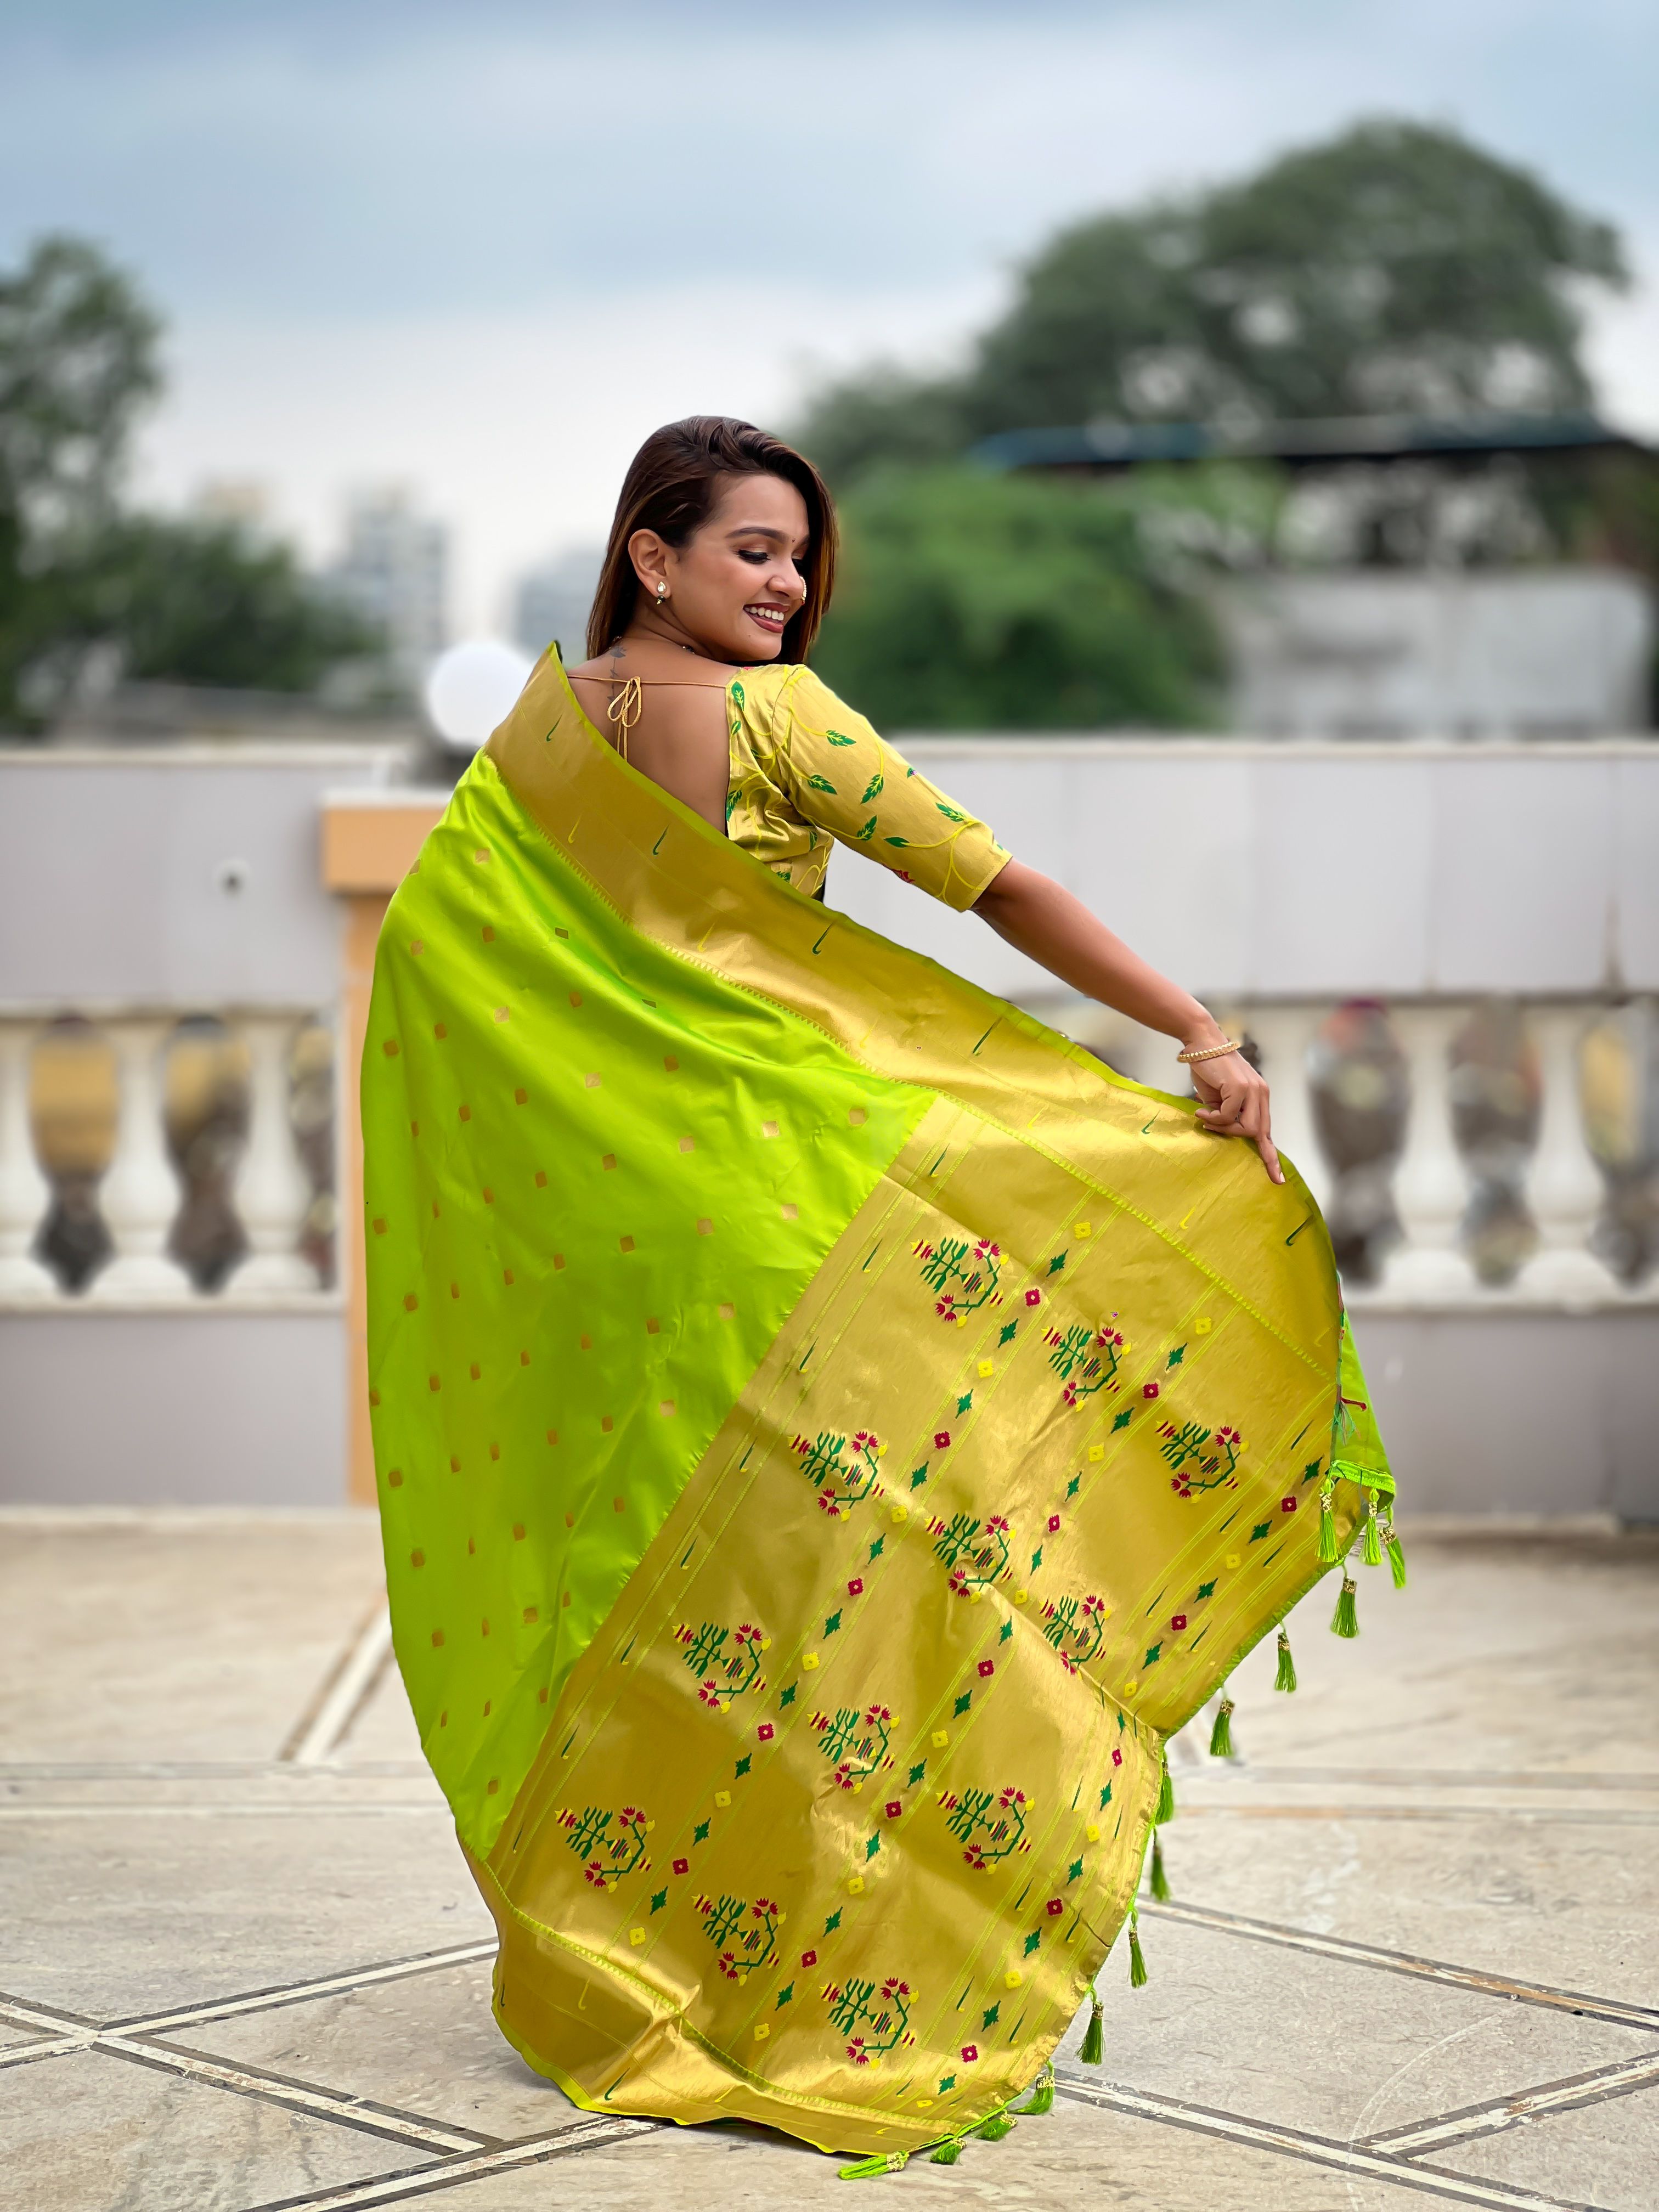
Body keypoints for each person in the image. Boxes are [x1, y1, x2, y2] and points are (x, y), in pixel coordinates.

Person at [362, 416, 1394, 2172]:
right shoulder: (774, 720)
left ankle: (632, 1955)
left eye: (799, 555)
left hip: (626, 1233)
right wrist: (1196, 1032)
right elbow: (997, 887)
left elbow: (431, 958)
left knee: (656, 1590)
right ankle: (816, 1966)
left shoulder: (538, 744)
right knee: (847, 1576)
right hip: (792, 1211)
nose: (789, 584)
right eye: (754, 549)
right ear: (652, 556)